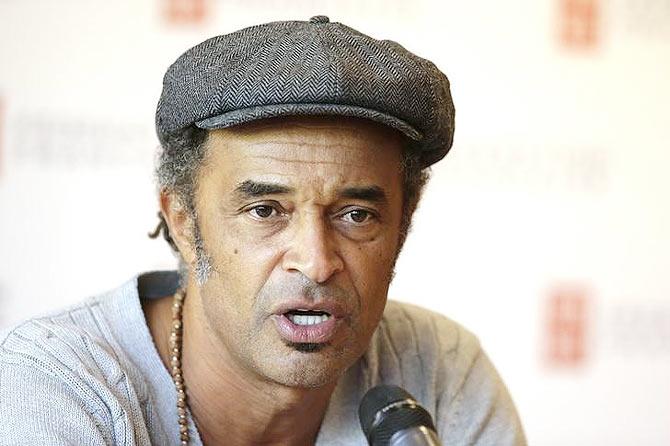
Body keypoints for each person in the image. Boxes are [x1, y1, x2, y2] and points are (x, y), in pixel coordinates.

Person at [0, 16, 526, 446]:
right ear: (183, 221)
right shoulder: (58, 390)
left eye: (355, 215)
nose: (317, 262)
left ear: (403, 225)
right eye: (265, 210)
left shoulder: (441, 371)